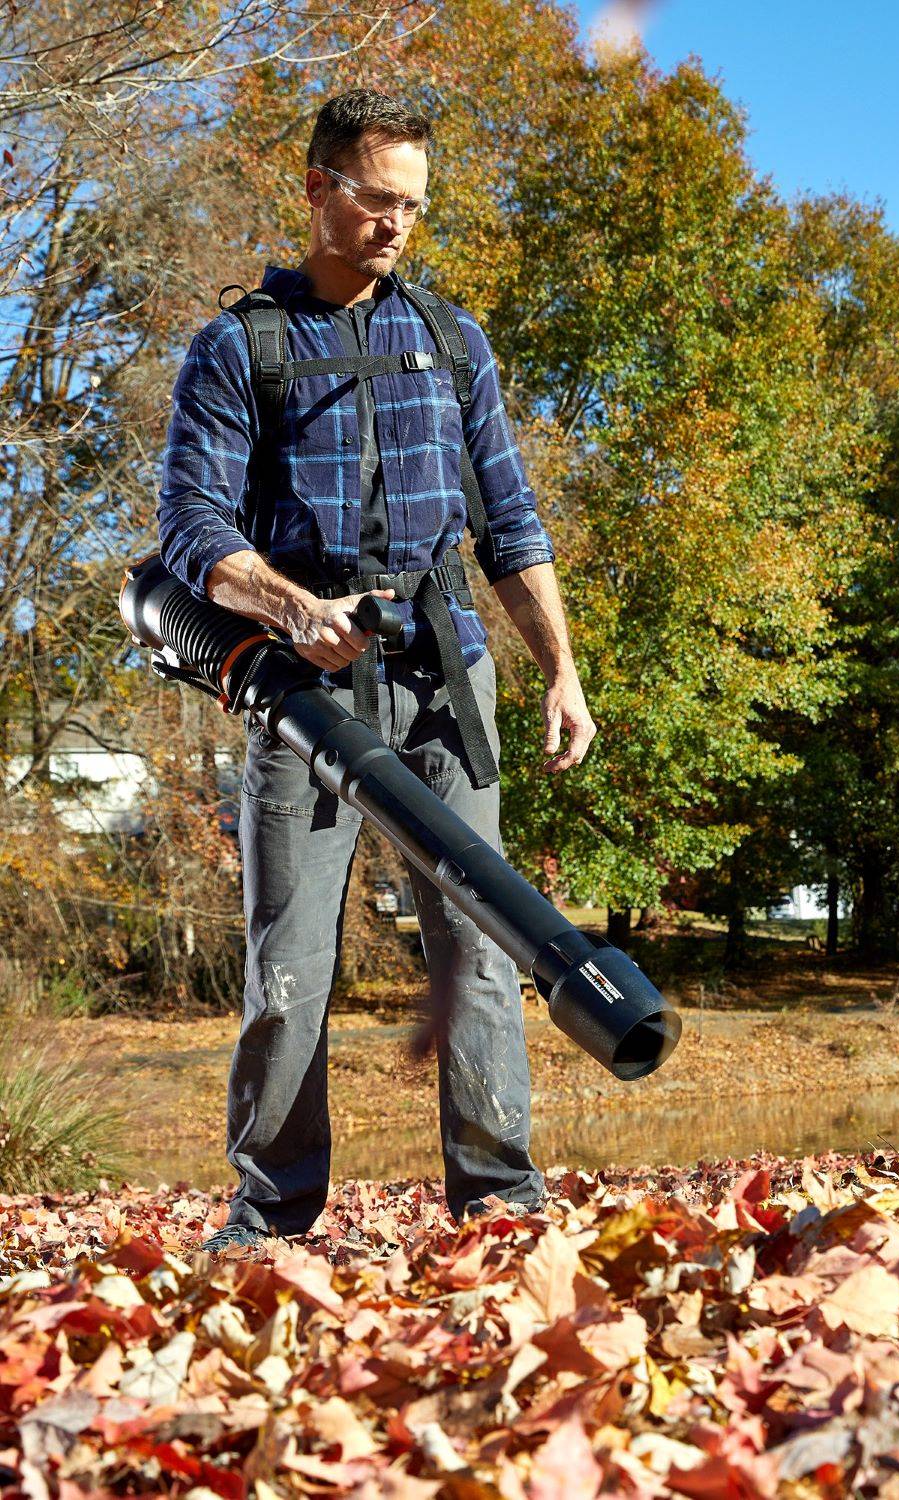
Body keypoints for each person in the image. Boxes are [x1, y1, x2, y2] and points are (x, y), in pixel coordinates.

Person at [157, 89, 596, 1253]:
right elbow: (193, 528)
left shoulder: (455, 344)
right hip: (299, 696)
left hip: (447, 677)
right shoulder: (240, 345)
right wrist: (297, 610)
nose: (397, 224)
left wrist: (561, 671)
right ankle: (270, 1223)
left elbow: (512, 522)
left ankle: (500, 1208)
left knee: (482, 946)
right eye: (376, 198)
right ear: (316, 188)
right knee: (289, 966)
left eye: (415, 205)